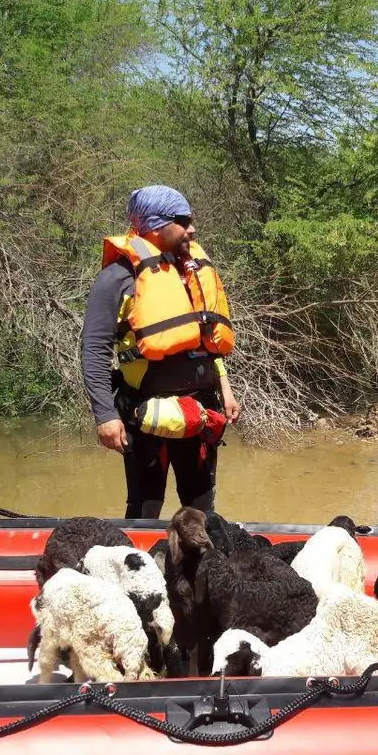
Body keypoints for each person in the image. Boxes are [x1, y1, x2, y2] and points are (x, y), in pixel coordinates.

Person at [81, 185, 241, 519]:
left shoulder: (191, 271)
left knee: (201, 512)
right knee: (144, 508)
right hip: (145, 414)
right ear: (155, 226)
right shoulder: (117, 278)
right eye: (183, 221)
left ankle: (195, 569)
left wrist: (224, 386)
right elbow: (94, 349)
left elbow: (205, 338)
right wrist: (105, 416)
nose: (192, 229)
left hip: (200, 409)